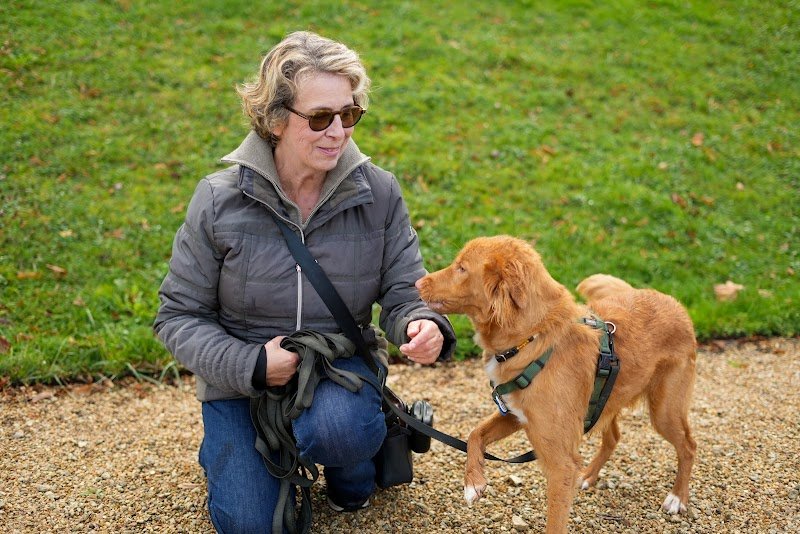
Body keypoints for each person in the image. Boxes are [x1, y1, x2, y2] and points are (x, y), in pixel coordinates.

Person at [153, 31, 456, 533]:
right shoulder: (216, 199)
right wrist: (250, 364)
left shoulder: (379, 192)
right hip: (242, 384)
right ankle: (245, 456)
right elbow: (177, 315)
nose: (337, 131)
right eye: (319, 118)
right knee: (250, 525)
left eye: (349, 114)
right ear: (275, 119)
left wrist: (423, 324)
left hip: (336, 367)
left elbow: (406, 288)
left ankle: (351, 462)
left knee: (343, 435)